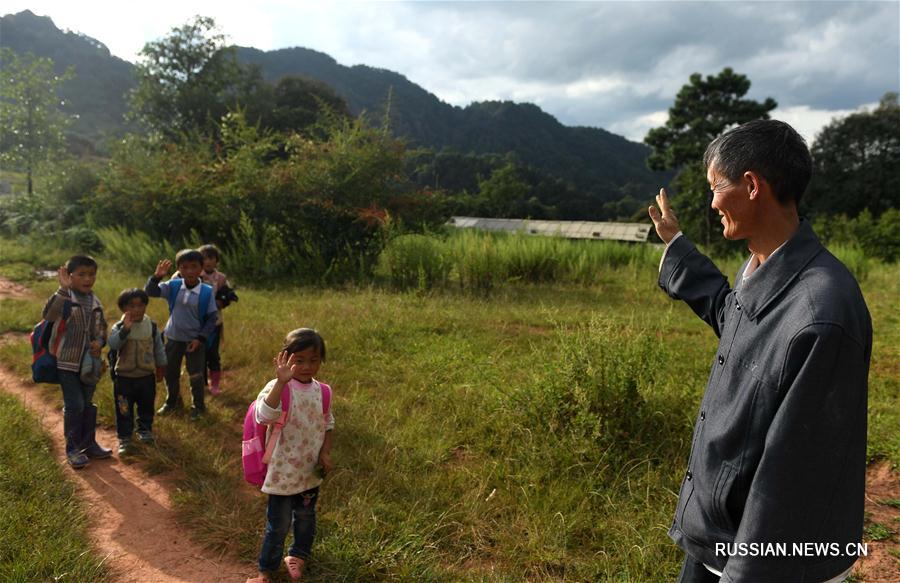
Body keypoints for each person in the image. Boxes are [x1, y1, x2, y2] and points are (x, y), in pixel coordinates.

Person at [648, 119, 871, 582]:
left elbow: (793, 476)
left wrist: (743, 574)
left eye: (715, 187)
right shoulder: (765, 268)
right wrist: (677, 246)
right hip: (720, 537)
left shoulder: (821, 312)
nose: (711, 204)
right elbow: (732, 315)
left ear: (751, 185)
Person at [246, 328, 335, 583]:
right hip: (282, 472)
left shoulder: (323, 392)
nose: (307, 366)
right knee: (279, 525)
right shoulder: (279, 388)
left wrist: (325, 452)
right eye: (299, 360)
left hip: (308, 472)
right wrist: (281, 382)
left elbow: (328, 423)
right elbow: (264, 415)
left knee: (306, 518)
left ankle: (297, 555)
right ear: (285, 358)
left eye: (314, 360)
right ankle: (266, 570)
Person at [41, 255, 111, 468]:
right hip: (67, 362)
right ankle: (73, 448)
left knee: (88, 403)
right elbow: (49, 316)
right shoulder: (65, 298)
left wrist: (99, 342)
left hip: (90, 363)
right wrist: (62, 290)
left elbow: (101, 329)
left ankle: (88, 443)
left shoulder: (95, 301)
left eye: (91, 275)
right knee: (75, 404)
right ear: (69, 276)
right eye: (81, 274)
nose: (87, 279)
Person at [145, 249, 217, 420]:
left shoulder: (206, 291)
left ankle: (198, 407)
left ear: (201, 268)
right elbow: (150, 292)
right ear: (178, 269)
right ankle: (173, 402)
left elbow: (212, 318)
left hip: (194, 342)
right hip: (173, 338)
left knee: (196, 375)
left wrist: (200, 338)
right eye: (184, 267)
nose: (190, 271)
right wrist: (156, 277)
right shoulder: (174, 286)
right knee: (170, 372)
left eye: (194, 267)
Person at [107, 288, 166, 455]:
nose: (136, 310)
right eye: (131, 306)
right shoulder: (119, 327)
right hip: (124, 379)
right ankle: (125, 438)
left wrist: (161, 367)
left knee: (146, 406)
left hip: (146, 377)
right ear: (123, 309)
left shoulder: (151, 327)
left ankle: (145, 431)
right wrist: (125, 330)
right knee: (124, 409)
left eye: (140, 305)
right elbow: (113, 344)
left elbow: (159, 349)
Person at [198, 243, 236, 396]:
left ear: (216, 260)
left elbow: (228, 296)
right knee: (199, 355)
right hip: (196, 323)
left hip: (215, 322)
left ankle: (215, 385)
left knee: (213, 354)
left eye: (211, 258)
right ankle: (202, 384)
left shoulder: (221, 278)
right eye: (204, 258)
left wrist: (223, 301)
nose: (207, 261)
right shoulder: (195, 275)